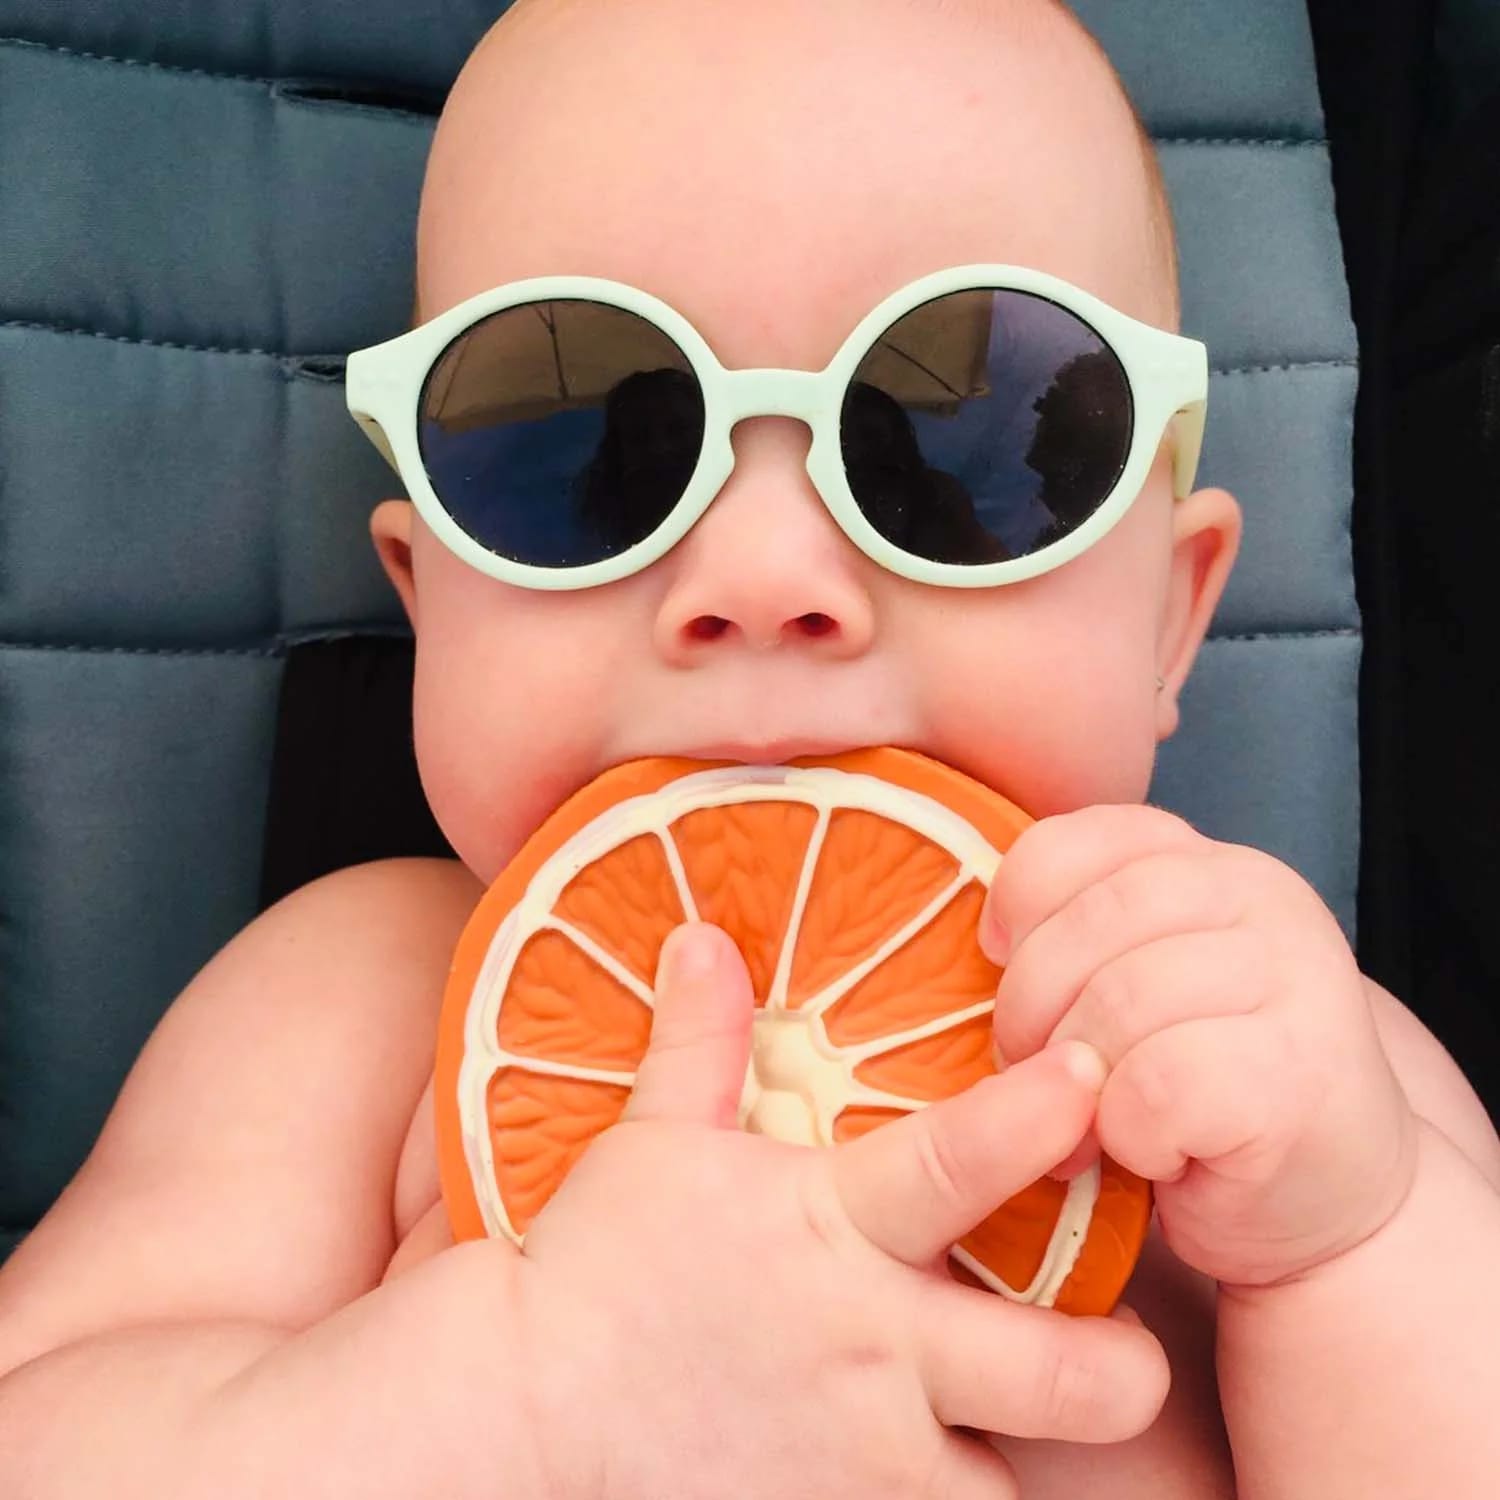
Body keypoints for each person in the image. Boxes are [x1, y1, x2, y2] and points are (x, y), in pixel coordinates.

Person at [3, 2, 1498, 1496]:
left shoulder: (1274, 1047)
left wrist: (1351, 1248)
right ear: (424, 593)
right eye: (590, 452)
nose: (765, 573)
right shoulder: (356, 1004)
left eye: (941, 456)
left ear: (1169, 617)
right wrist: (516, 1399)